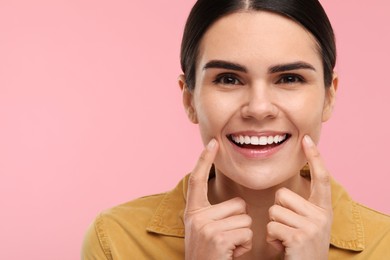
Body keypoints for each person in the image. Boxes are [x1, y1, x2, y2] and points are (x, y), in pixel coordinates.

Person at [82, 0, 390, 259]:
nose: (258, 108)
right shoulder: (117, 241)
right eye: (228, 79)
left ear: (329, 96)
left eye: (289, 78)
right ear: (189, 99)